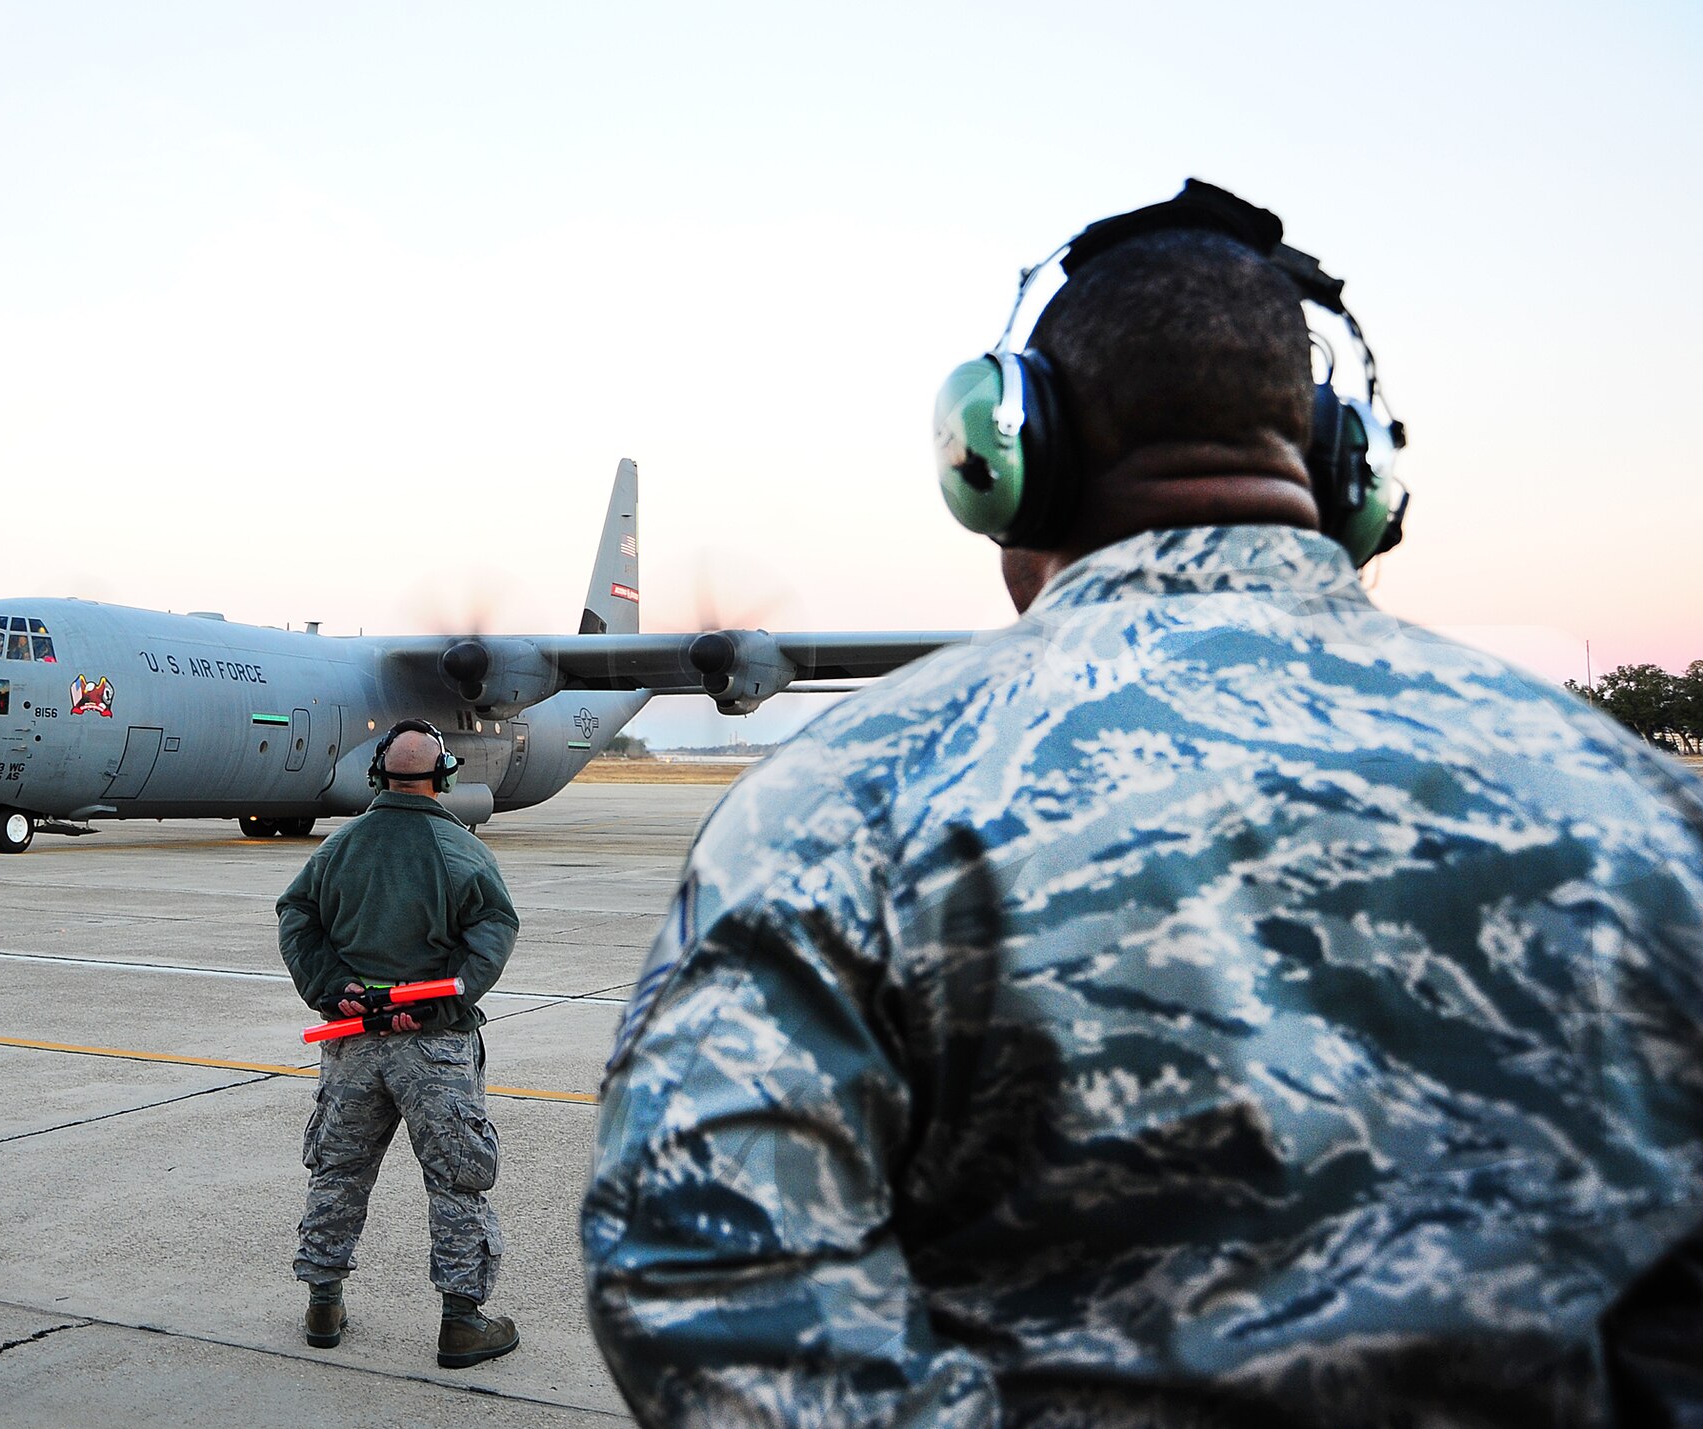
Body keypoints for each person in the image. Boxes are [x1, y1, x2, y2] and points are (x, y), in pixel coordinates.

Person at [581, 182, 1703, 1425]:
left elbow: (703, 1264)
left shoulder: (849, 794)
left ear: (1010, 468)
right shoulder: (1638, 807)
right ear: (1350, 474)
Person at [279, 718, 521, 1368]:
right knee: (456, 1180)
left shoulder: (340, 846)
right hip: (433, 1047)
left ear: (378, 774)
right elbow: (496, 924)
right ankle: (461, 1321)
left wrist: (331, 985)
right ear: (443, 777)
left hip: (352, 1040)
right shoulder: (461, 851)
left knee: (339, 1170)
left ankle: (323, 1303)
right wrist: (450, 993)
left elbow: (296, 913)